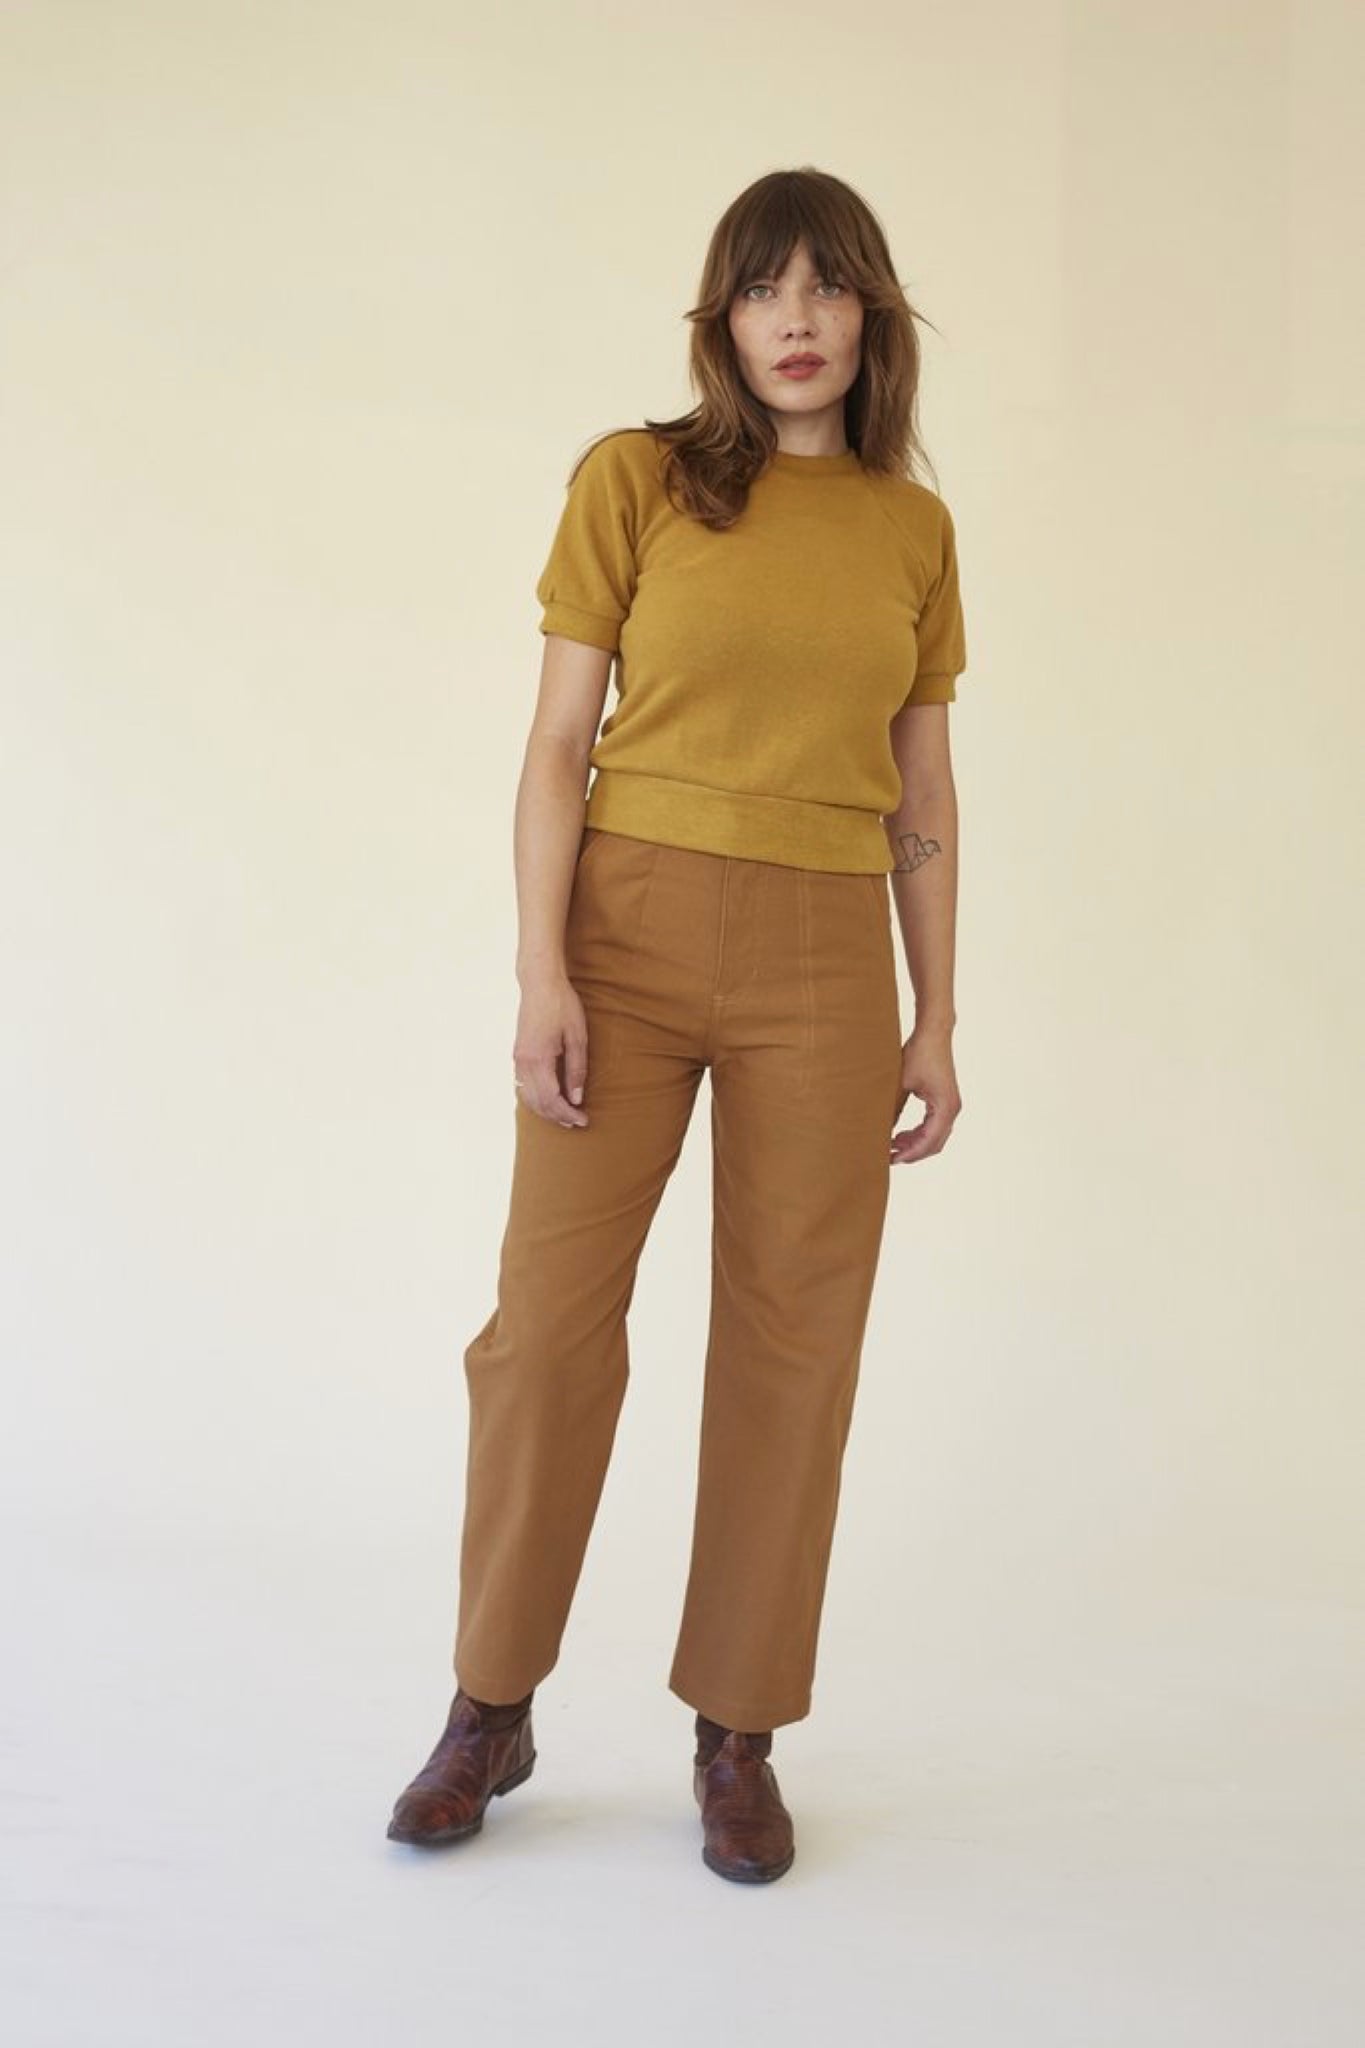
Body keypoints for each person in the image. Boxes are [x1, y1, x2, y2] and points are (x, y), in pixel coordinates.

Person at [386, 166, 968, 1884]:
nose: (796, 320)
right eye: (762, 288)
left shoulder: (911, 531)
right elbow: (555, 743)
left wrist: (936, 1015)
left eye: (827, 287)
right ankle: (491, 1703)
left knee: (795, 1340)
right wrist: (540, 971)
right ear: (720, 319)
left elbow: (923, 794)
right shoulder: (632, 479)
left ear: (869, 316)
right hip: (621, 936)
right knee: (545, 1331)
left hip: (825, 961)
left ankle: (738, 1732)